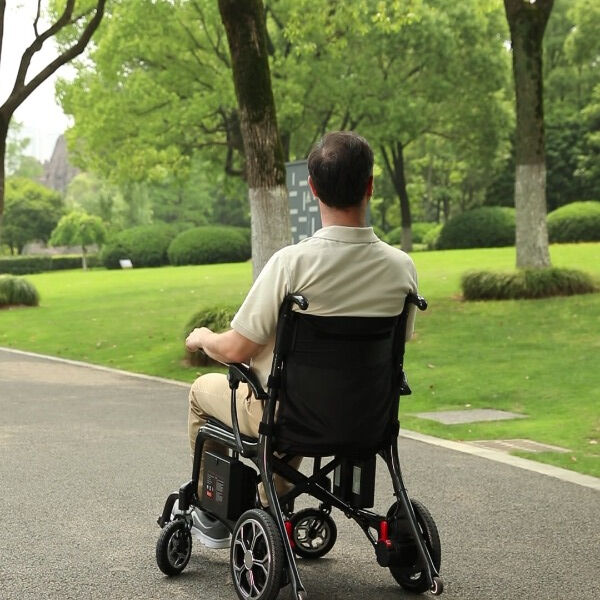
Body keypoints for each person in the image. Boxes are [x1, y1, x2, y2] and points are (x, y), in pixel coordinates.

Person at [183, 131, 418, 549]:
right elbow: (399, 345)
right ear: (371, 185)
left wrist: (203, 338)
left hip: (294, 415)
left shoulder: (291, 265)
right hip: (368, 416)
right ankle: (265, 502)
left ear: (312, 189)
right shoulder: (402, 269)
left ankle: (215, 512)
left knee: (204, 393)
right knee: (289, 397)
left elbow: (236, 349)